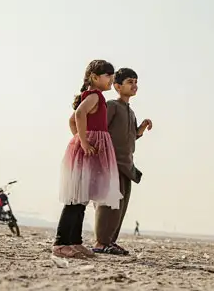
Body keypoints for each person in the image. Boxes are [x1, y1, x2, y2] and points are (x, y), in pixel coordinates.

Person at [52, 61, 121, 260]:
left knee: (82, 199)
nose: (111, 80)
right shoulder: (94, 96)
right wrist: (83, 141)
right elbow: (79, 114)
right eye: (108, 76)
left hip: (90, 149)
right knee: (75, 200)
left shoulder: (93, 97)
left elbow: (73, 119)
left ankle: (75, 241)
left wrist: (79, 137)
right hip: (87, 149)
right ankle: (61, 243)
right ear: (94, 77)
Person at [92, 69, 151, 256]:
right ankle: (101, 243)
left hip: (127, 166)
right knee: (108, 204)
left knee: (121, 206)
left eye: (136, 81)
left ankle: (110, 241)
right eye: (129, 81)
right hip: (110, 163)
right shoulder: (112, 106)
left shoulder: (131, 112)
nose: (134, 85)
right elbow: (100, 130)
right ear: (117, 86)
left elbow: (130, 136)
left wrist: (140, 129)